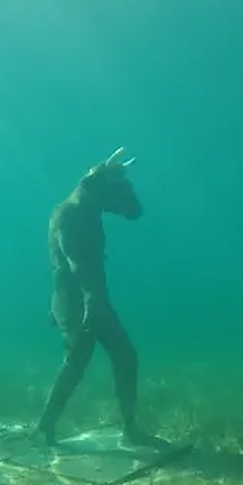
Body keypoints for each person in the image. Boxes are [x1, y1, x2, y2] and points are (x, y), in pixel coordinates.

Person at [36, 147, 171, 450]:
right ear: (100, 189)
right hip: (80, 302)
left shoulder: (87, 208)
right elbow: (74, 264)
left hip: (94, 299)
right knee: (76, 362)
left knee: (126, 356)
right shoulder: (70, 214)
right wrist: (89, 304)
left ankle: (130, 429)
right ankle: (44, 428)